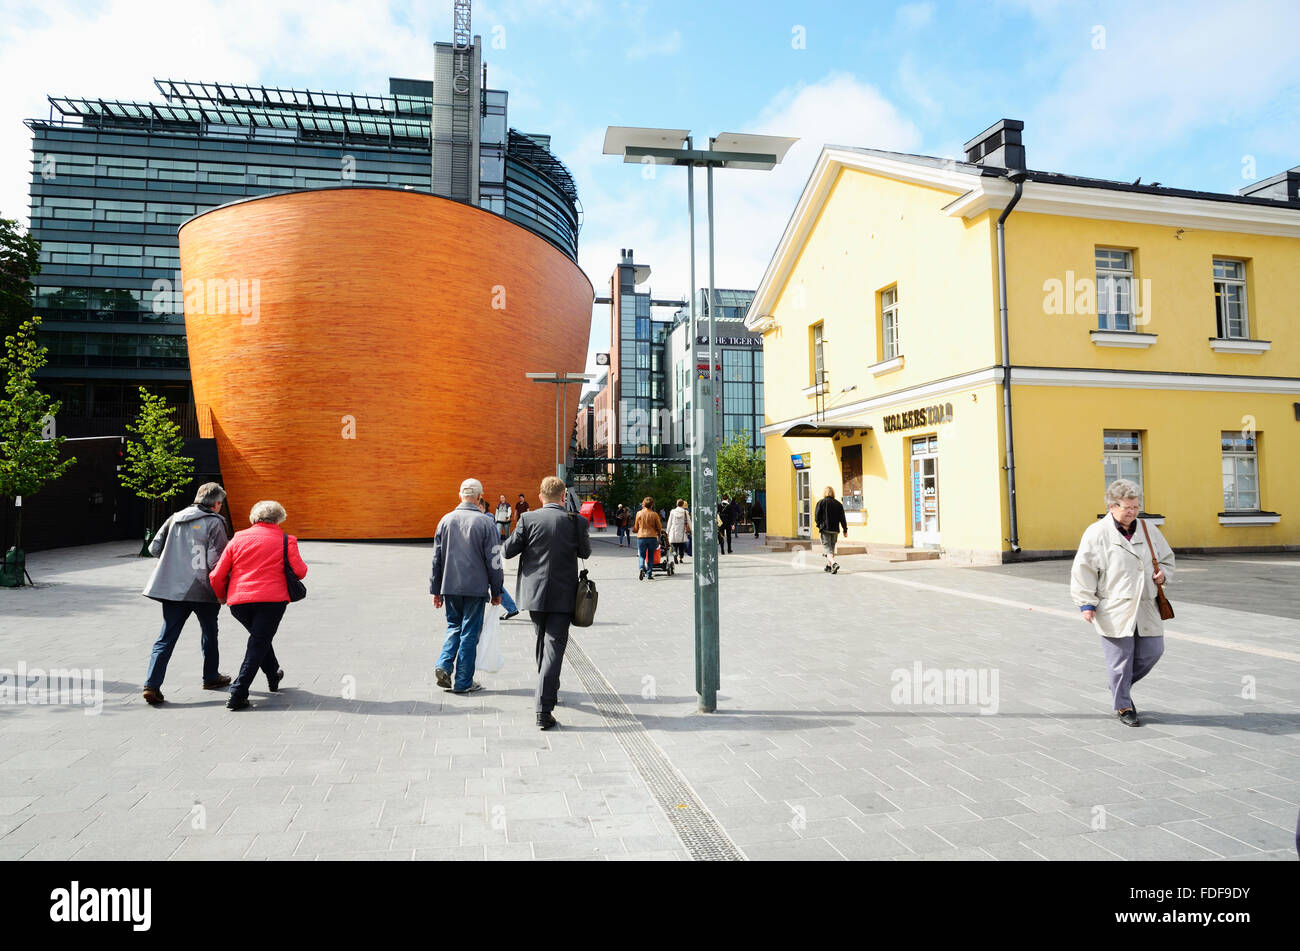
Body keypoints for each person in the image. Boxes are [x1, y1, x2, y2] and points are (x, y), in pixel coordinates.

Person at [1071, 478, 1175, 728]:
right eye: (1127, 507)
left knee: (1153, 651)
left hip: (1147, 605)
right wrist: (1086, 603)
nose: (1132, 511)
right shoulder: (1096, 533)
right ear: (1111, 506)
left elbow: (1168, 559)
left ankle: (1119, 685)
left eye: (1136, 506)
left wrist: (1164, 575)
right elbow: (1083, 569)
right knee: (1120, 661)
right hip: (1114, 607)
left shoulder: (1150, 530)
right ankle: (1124, 705)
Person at [503, 476, 591, 730]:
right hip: (563, 595)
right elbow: (584, 553)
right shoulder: (576, 521)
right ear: (563, 497)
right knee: (553, 647)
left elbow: (508, 550)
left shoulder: (528, 519)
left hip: (533, 593)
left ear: (540, 496)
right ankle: (544, 707)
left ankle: (548, 688)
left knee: (543, 642)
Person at [208, 500, 307, 711]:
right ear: (279, 518)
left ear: (254, 517)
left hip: (239, 602)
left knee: (260, 639)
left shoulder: (237, 538)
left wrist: (221, 596)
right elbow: (300, 572)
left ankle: (273, 674)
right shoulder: (285, 540)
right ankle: (238, 692)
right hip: (272, 600)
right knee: (258, 642)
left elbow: (216, 574)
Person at [141, 482, 232, 705]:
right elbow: (217, 559)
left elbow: (154, 548)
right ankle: (210, 676)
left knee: (167, 636)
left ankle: (151, 684)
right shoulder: (215, 522)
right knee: (209, 632)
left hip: (173, 589)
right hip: (203, 588)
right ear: (217, 503)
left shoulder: (175, 517)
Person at [429, 478, 504, 695]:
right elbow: (494, 560)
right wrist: (496, 590)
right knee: (469, 633)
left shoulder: (445, 520)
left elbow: (437, 558)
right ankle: (463, 682)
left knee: (454, 626)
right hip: (476, 587)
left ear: (459, 495)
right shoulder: (485, 522)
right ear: (480, 497)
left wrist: (436, 589)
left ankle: (444, 664)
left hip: (450, 585)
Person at [814, 486, 848, 574]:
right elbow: (842, 518)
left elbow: (817, 517)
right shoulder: (838, 504)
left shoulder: (821, 502)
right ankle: (829, 567)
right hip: (835, 530)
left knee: (827, 548)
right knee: (831, 548)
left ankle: (834, 563)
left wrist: (819, 525)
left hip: (825, 529)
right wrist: (845, 530)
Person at [633, 497, 663, 580]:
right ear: (652, 504)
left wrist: (635, 530)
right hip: (652, 537)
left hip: (641, 536)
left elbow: (635, 527)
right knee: (650, 555)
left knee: (641, 555)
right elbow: (659, 527)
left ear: (643, 504)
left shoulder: (638, 513)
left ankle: (641, 568)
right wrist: (659, 532)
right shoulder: (654, 514)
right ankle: (649, 574)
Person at [665, 498, 691, 564]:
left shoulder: (672, 512)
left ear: (677, 504)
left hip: (674, 531)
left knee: (674, 546)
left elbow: (669, 522)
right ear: (682, 504)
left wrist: (667, 531)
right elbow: (689, 522)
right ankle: (681, 558)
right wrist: (692, 530)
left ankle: (675, 555)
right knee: (681, 546)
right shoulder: (685, 512)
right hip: (682, 531)